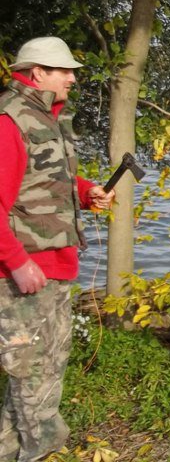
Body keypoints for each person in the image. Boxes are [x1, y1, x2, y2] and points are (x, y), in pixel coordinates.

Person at [0, 36, 114, 461]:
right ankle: (44, 451)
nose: (72, 77)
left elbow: (44, 182)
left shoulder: (45, 118)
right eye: (64, 70)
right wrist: (17, 262)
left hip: (53, 266)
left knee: (36, 374)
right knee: (35, 375)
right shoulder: (9, 121)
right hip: (24, 273)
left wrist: (87, 192)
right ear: (37, 73)